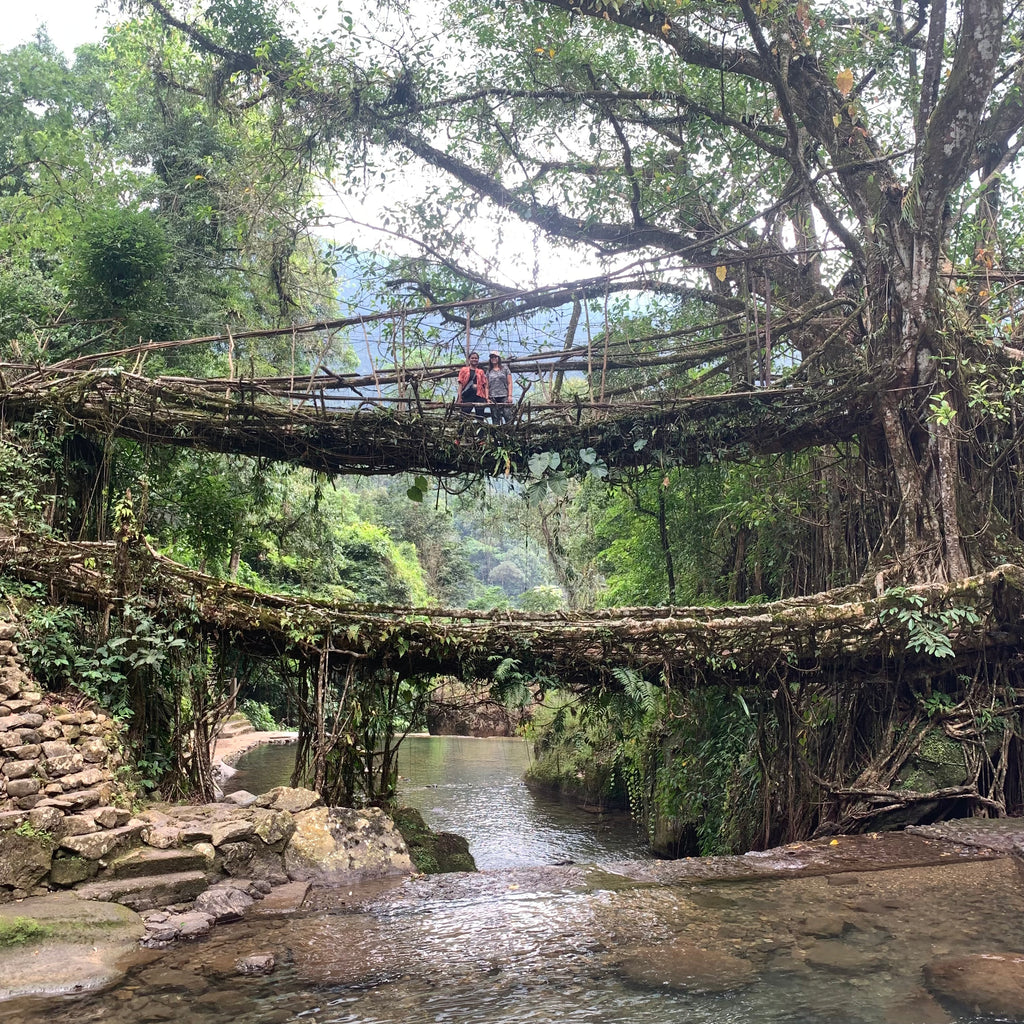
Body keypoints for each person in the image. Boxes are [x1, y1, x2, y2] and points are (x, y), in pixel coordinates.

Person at [457, 351, 488, 417]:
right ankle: (462, 427)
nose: (474, 359)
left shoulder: (481, 371)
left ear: (478, 360)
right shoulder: (464, 370)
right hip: (467, 395)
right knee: (464, 415)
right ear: (469, 359)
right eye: (472, 358)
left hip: (479, 396)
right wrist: (459, 397)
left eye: (476, 358)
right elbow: (460, 384)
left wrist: (486, 398)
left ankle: (480, 427)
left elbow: (485, 385)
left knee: (480, 416)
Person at [486, 351, 513, 424]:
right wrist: (487, 398)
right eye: (492, 357)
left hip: (504, 395)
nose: (493, 358)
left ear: (498, 358)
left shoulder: (505, 369)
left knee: (508, 416)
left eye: (495, 357)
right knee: (495, 418)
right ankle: (497, 433)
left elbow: (509, 383)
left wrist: (510, 396)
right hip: (493, 397)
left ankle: (510, 433)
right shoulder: (489, 371)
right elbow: (487, 386)